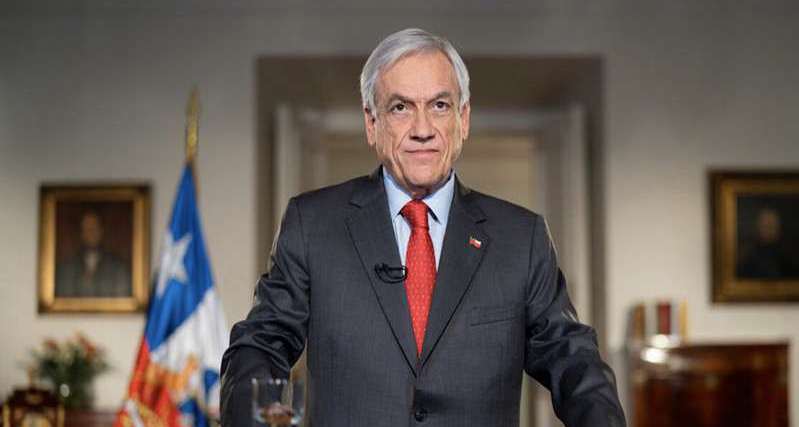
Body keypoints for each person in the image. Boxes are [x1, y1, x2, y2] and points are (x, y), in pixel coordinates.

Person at [221, 28, 625, 427]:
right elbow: (261, 345)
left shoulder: (522, 238)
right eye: (400, 107)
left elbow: (573, 361)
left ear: (463, 119)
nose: (422, 129)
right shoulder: (313, 225)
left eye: (439, 106)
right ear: (372, 123)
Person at [55, 210, 131, 298]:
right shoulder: (66, 268)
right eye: (87, 229)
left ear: (101, 231)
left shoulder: (119, 267)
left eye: (94, 228)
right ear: (81, 233)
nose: (91, 233)